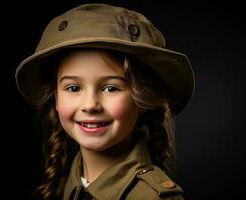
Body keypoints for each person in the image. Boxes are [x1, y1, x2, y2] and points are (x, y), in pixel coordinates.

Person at [15, 3, 195, 200]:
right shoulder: (67, 185)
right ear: (56, 98)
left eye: (111, 88)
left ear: (143, 98)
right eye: (73, 88)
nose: (90, 105)